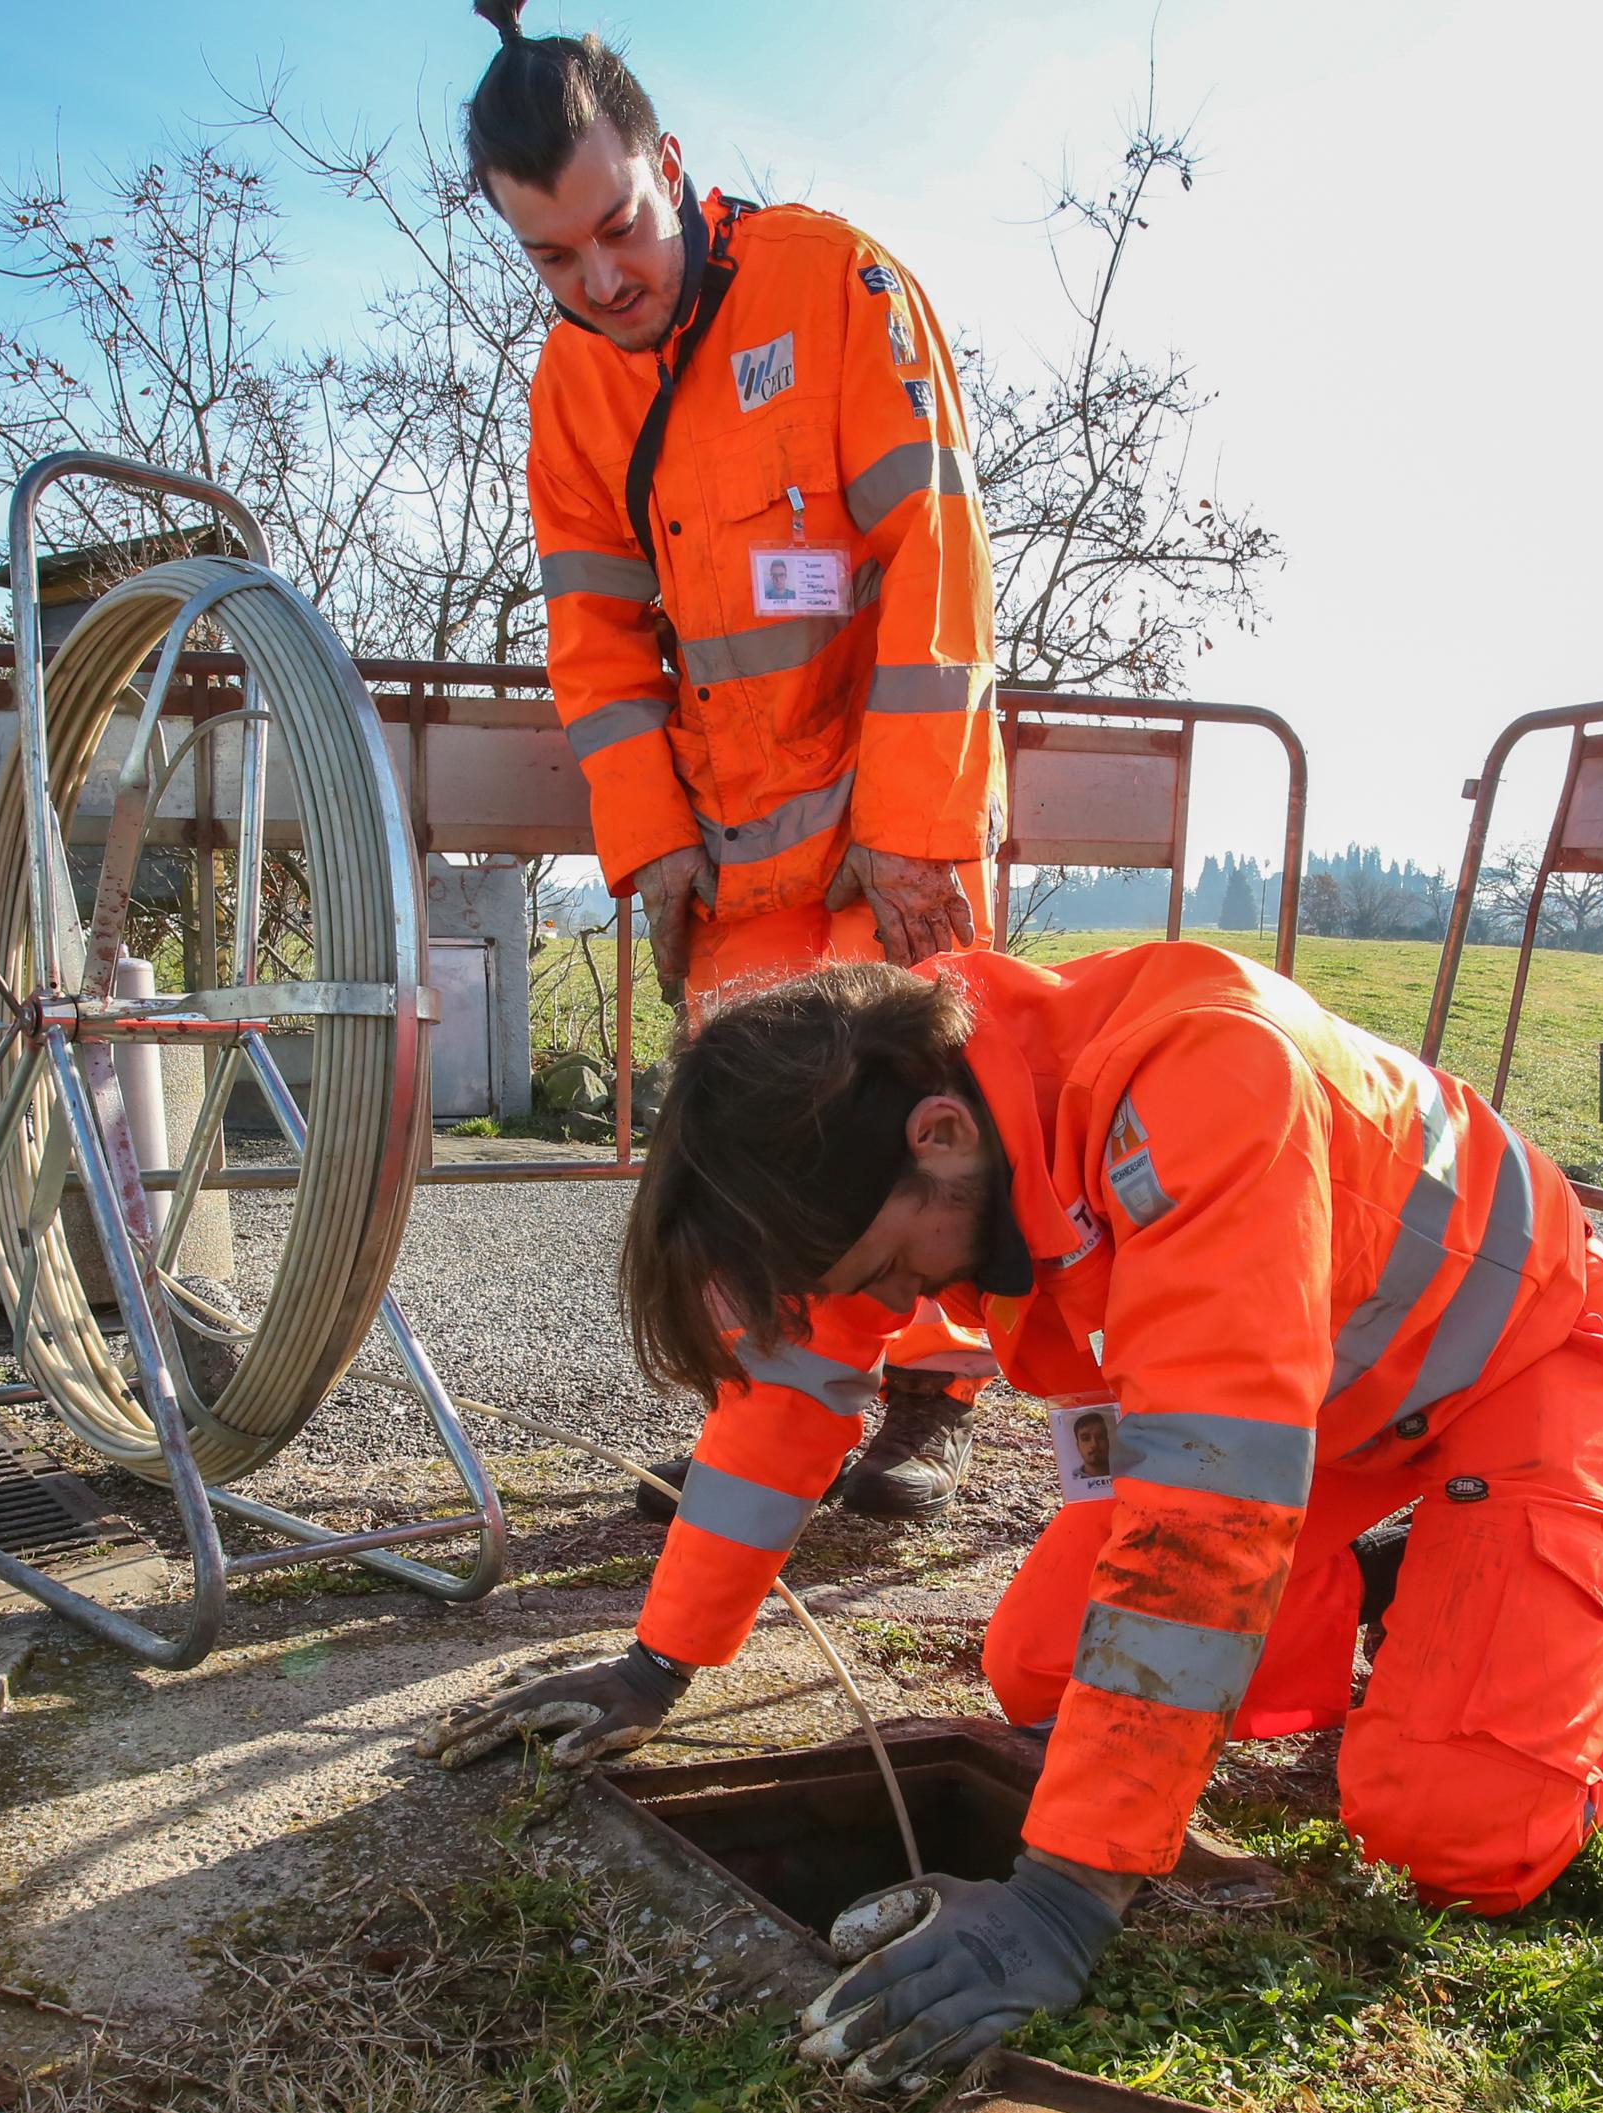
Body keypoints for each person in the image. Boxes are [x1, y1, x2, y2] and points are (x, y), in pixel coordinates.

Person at [420, 939, 1603, 2088]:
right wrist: (658, 1663)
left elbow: (1209, 1510)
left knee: (1459, 1825)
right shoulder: (875, 1101)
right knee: (1041, 1668)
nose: (887, 1316)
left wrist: (1065, 1899)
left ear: (939, 1142)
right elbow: (788, 1398)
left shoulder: (1208, 1083)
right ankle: (1425, 1583)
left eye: (891, 1274)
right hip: (1309, 1412)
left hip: (1516, 1368)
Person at [464, 1, 1004, 1517]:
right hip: (735, 839)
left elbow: (934, 558)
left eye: (618, 228)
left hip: (887, 820)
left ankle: (925, 1409)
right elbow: (598, 641)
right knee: (753, 1147)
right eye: (553, 260)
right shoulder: (571, 389)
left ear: (673, 166)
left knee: (921, 1112)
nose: (601, 280)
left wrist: (909, 827)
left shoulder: (840, 286)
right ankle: (768, 1426)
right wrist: (648, 846)